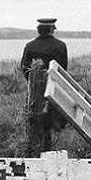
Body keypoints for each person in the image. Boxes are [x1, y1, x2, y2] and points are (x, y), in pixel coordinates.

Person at [20, 18, 68, 152]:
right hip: (53, 89)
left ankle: (35, 146)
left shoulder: (30, 46)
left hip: (35, 91)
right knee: (50, 119)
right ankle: (48, 147)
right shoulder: (60, 46)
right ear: (52, 29)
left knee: (35, 118)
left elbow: (24, 67)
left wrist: (34, 81)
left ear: (39, 30)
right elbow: (63, 70)